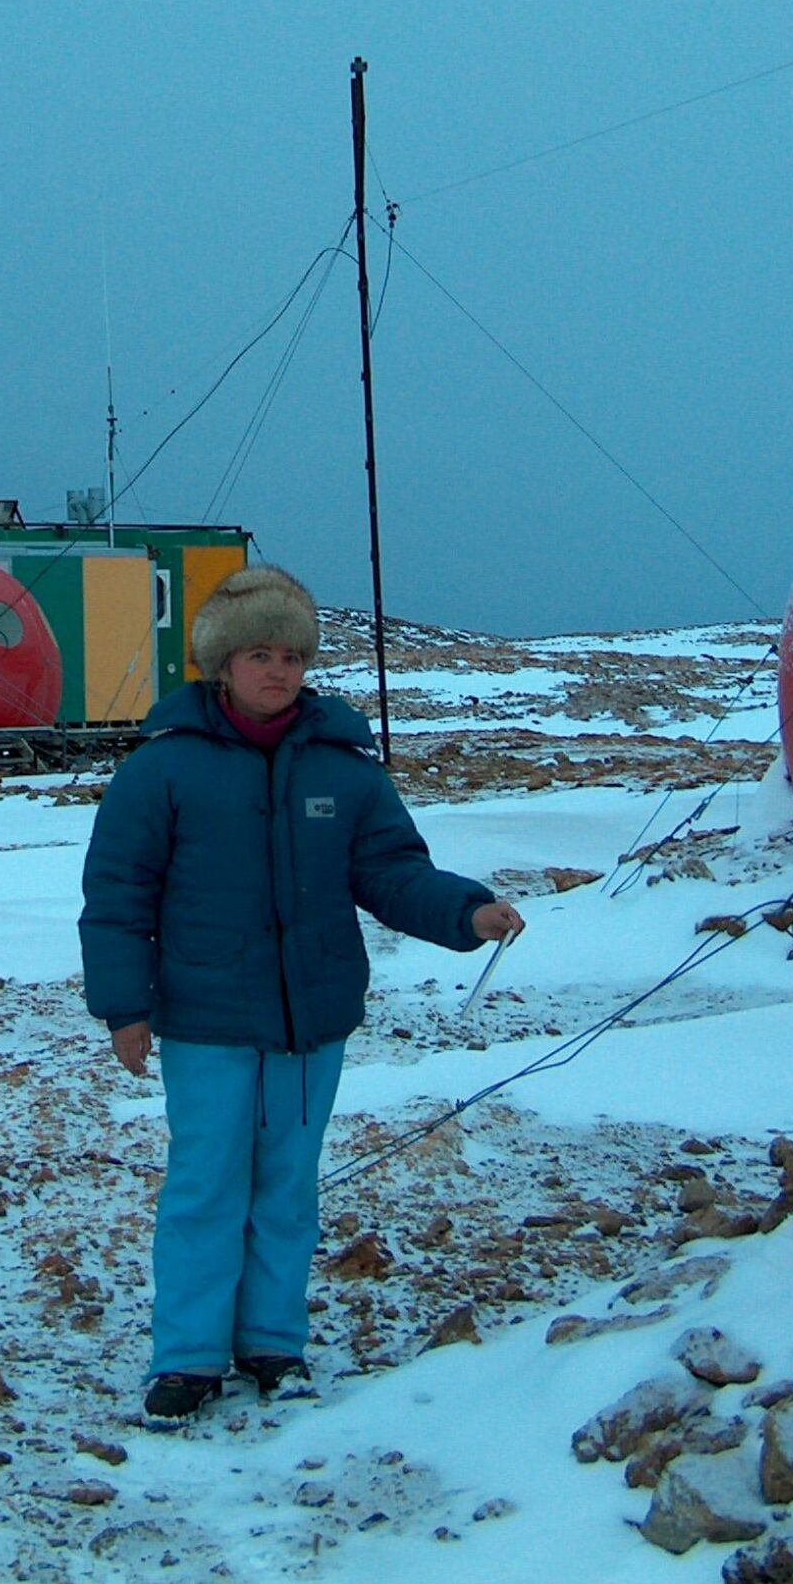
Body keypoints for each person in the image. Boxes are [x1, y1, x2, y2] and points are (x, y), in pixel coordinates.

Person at [78, 565, 524, 1427]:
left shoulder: (345, 769)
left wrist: (466, 910)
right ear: (221, 663)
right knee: (208, 1183)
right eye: (258, 654)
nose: (277, 671)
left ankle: (274, 1342)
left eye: (292, 654)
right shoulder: (161, 770)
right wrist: (124, 1007)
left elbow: (391, 871)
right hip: (207, 1023)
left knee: (287, 1186)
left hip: (311, 1021)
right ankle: (188, 1357)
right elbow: (118, 893)